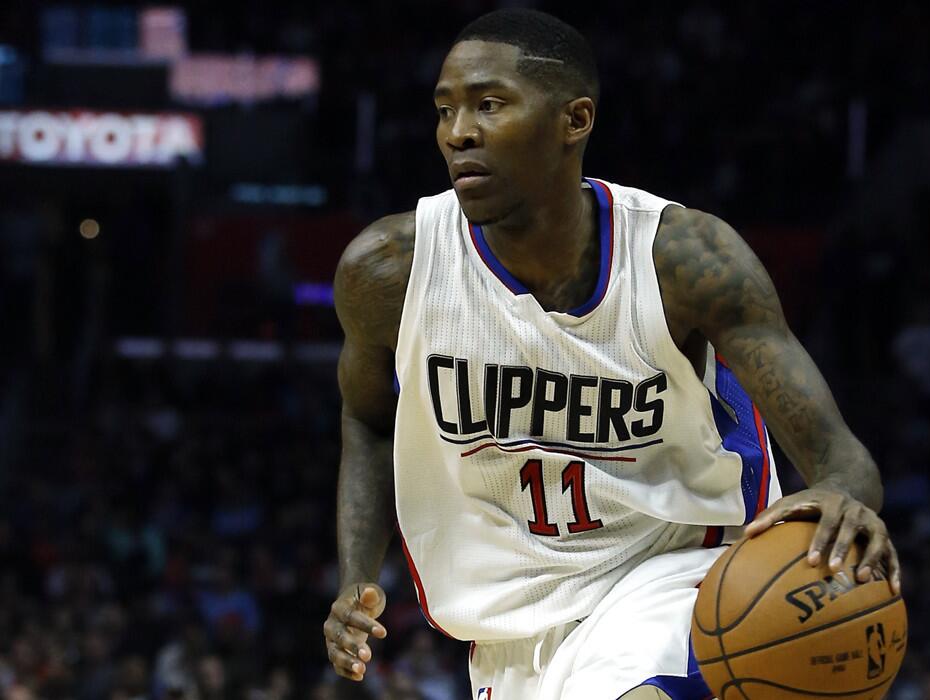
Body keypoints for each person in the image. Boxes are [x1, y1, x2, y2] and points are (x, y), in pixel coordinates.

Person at [322, 9, 900, 699]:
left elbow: (838, 455)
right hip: (506, 633)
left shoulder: (683, 260)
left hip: (674, 580)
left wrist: (843, 497)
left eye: (489, 104)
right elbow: (367, 419)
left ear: (576, 120)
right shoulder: (387, 270)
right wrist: (356, 575)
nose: (458, 132)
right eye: (445, 109)